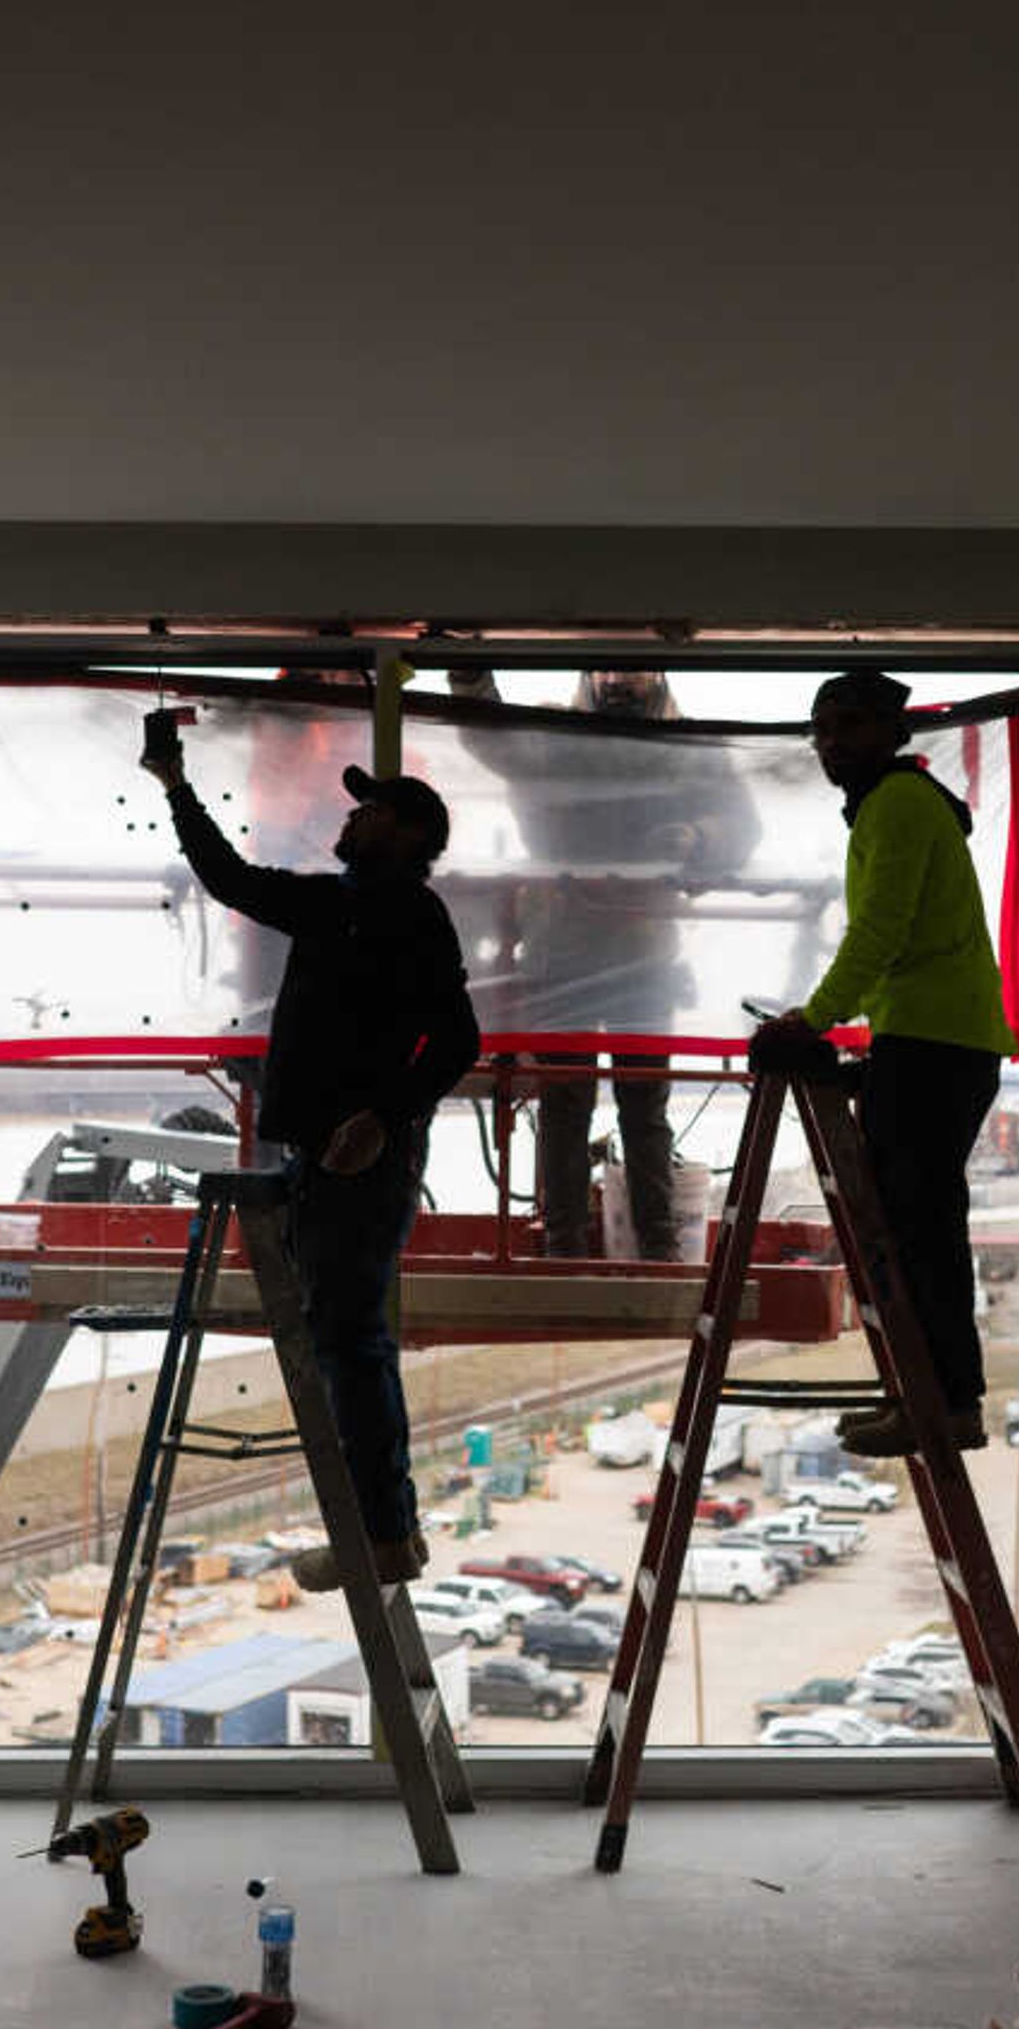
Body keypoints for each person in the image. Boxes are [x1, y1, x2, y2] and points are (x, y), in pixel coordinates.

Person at [143, 715, 480, 1587]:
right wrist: (175, 788)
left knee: (351, 1343)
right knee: (345, 1340)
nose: (350, 819)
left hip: (360, 1167)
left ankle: (382, 1534)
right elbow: (229, 878)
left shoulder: (407, 913)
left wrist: (380, 1118)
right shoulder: (342, 906)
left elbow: (457, 1042)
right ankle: (382, 1529)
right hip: (326, 1162)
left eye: (369, 811)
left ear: (407, 834)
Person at [764, 670, 1015, 1457]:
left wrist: (814, 1019)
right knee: (915, 1231)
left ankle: (947, 1403)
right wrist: (833, 1027)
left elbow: (881, 933)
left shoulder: (898, 805)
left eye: (846, 726)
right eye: (822, 728)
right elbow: (889, 946)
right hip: (932, 1041)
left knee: (922, 1235)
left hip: (936, 1046)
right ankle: (933, 1398)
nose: (830, 742)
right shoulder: (893, 803)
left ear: (888, 732)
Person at [448, 667, 758, 1259]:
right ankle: (572, 1242)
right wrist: (470, 682)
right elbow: (493, 739)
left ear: (658, 673)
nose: (620, 679)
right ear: (589, 672)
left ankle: (650, 1244)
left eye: (632, 666)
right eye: (608, 666)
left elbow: (742, 826)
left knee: (643, 1102)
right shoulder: (559, 736)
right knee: (571, 1101)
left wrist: (698, 835)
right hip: (568, 948)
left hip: (633, 952)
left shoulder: (691, 748)